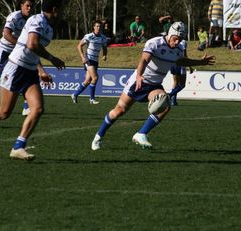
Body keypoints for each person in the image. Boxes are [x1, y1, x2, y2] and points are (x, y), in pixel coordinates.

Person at [91, 22, 215, 151]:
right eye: (176, 38)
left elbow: (181, 61)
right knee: (119, 111)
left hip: (154, 85)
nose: (178, 41)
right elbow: (144, 60)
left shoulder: (178, 50)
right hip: (139, 81)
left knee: (165, 104)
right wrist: (139, 75)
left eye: (181, 39)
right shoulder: (155, 43)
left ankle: (141, 134)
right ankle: (98, 136)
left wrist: (201, 62)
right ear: (170, 34)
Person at [0, 0, 66, 160]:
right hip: (15, 68)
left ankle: (18, 147)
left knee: (38, 109)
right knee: (4, 112)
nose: (61, 13)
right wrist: (52, 58)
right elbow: (32, 44)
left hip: (29, 71)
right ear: (54, 9)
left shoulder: (48, 27)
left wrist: (40, 71)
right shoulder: (37, 20)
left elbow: (33, 51)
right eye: (60, 9)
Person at [71, 20, 108, 105]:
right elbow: (79, 46)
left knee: (88, 80)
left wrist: (105, 55)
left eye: (100, 26)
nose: (98, 28)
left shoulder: (103, 38)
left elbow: (105, 48)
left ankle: (75, 94)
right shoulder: (89, 36)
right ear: (94, 27)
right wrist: (82, 57)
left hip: (95, 60)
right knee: (95, 77)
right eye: (97, 26)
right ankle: (92, 99)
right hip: (88, 59)